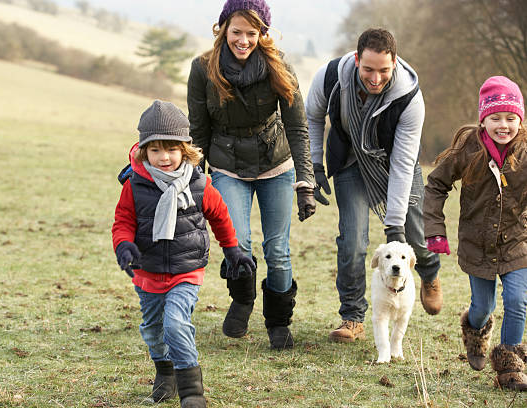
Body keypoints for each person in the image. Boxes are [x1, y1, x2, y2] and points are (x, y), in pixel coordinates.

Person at [187, 0, 316, 350]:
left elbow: (297, 127)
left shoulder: (279, 66)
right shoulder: (203, 69)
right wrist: (195, 185)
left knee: (278, 249)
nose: (243, 40)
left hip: (275, 163)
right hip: (227, 165)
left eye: (251, 33)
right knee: (237, 243)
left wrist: (305, 181)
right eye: (237, 32)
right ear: (223, 28)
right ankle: (242, 300)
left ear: (262, 34)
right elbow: (198, 133)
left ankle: (278, 321)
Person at [112, 100, 255, 407]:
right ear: (143, 151)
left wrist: (233, 250)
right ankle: (165, 373)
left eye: (172, 149)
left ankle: (192, 393)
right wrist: (124, 246)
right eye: (155, 150)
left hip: (186, 271)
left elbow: (219, 216)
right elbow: (122, 222)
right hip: (146, 271)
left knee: (176, 324)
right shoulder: (134, 186)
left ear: (185, 149)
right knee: (153, 331)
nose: (164, 157)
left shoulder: (200, 185)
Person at [305, 28, 442, 343]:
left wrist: (394, 226)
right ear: (356, 60)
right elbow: (312, 117)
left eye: (384, 70)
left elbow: (403, 164)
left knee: (414, 240)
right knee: (352, 243)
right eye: (368, 69)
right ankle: (352, 317)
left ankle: (430, 272)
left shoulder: (410, 97)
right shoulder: (330, 77)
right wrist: (313, 165)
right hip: (351, 164)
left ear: (395, 62)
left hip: (393, 165)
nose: (376, 78)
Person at [424, 76, 527, 390]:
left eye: (510, 118)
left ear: (520, 120)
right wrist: (435, 232)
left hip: (517, 243)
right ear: (484, 120)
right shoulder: (467, 149)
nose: (503, 125)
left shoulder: (524, 152)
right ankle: (474, 328)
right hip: (477, 245)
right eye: (495, 118)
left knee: (518, 300)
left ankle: (510, 366)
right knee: (483, 307)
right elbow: (435, 186)